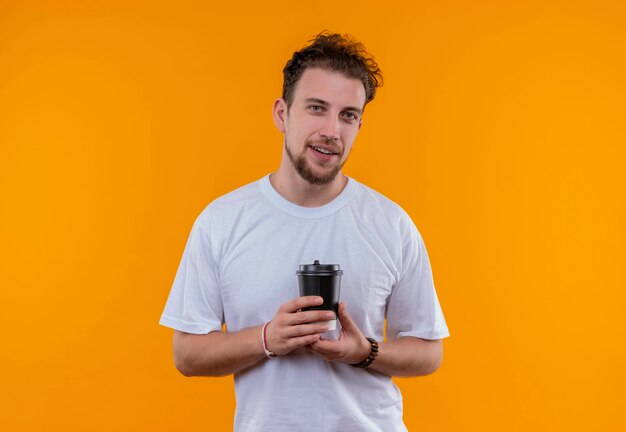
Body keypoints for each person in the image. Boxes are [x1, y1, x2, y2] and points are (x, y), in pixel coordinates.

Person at [159, 32, 449, 431]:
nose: (332, 129)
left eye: (348, 115)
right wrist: (267, 338)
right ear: (282, 114)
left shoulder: (391, 224)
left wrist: (363, 352)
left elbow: (429, 352)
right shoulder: (222, 221)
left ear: (360, 124)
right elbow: (187, 355)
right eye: (317, 108)